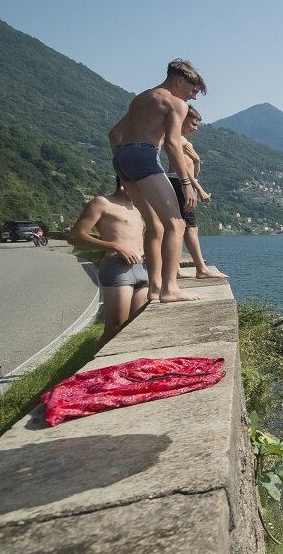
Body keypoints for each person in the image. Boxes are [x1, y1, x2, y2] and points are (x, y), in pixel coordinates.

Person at [107, 58, 205, 303]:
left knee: (155, 225)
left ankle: (154, 288)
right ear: (180, 81)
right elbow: (172, 143)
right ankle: (169, 289)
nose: (192, 97)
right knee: (176, 224)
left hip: (123, 157)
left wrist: (124, 162)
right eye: (193, 91)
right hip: (145, 156)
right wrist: (186, 183)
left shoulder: (141, 98)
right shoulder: (176, 104)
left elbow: (114, 134)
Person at [67, 180, 149, 348]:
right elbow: (75, 236)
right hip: (118, 268)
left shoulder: (138, 206)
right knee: (115, 327)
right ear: (124, 183)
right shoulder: (102, 203)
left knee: (136, 326)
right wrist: (115, 246)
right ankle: (93, 369)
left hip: (142, 267)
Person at [167, 106, 224, 278]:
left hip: (183, 183)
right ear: (182, 119)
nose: (195, 128)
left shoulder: (184, 140)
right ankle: (201, 269)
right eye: (193, 123)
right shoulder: (177, 139)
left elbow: (193, 171)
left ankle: (178, 269)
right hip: (178, 182)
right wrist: (199, 189)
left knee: (183, 226)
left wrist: (197, 160)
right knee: (190, 228)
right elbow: (181, 167)